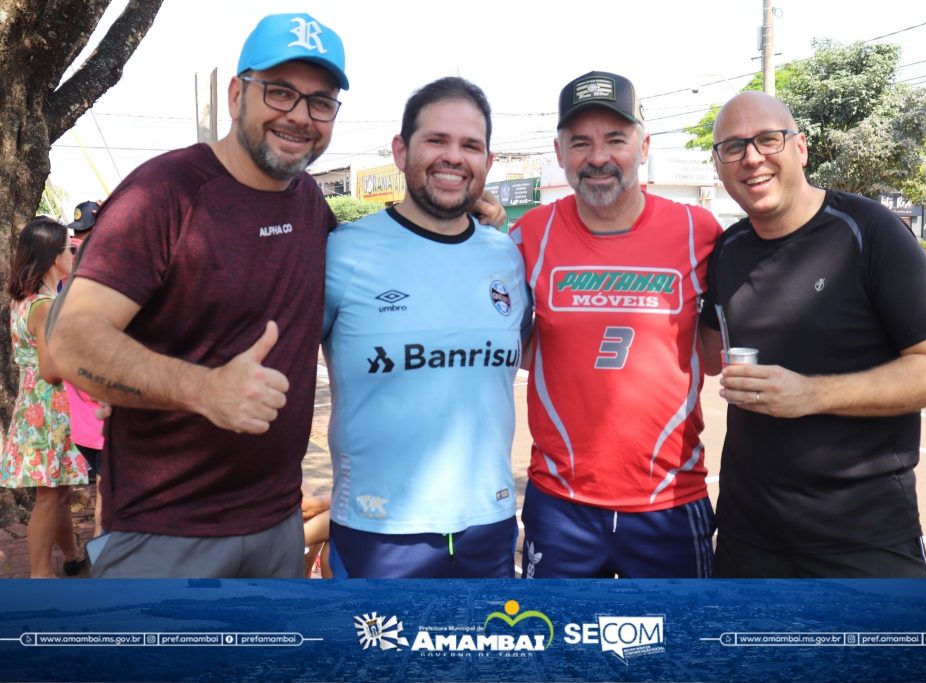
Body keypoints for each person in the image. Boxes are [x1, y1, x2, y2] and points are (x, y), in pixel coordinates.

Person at [47, 13, 349, 578]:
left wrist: (468, 223)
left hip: (277, 525)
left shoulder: (311, 203)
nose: (299, 115)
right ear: (237, 95)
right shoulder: (165, 193)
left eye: (320, 102)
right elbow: (71, 341)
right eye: (279, 92)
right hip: (166, 531)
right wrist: (203, 389)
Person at [699, 91, 926, 578]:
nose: (752, 158)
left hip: (863, 539)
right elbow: (702, 354)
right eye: (733, 147)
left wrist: (810, 393)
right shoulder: (727, 251)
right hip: (748, 540)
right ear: (719, 166)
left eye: (768, 139)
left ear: (800, 148)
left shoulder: (870, 231)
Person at [510, 71, 721, 578]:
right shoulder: (528, 235)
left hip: (669, 500)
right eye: (580, 142)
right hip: (561, 503)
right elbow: (506, 342)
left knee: (678, 634)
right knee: (556, 634)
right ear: (559, 153)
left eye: (616, 139)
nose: (598, 157)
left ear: (643, 147)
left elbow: (716, 355)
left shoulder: (699, 231)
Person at [321, 77, 530, 578]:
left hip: (490, 525)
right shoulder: (343, 251)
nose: (453, 157)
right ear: (401, 150)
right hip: (378, 532)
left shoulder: (506, 255)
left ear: (488, 161)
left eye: (470, 146)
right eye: (437, 140)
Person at [2, 217, 91, 578]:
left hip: (36, 406)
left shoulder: (25, 302)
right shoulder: (46, 306)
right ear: (54, 256)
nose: (74, 254)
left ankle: (71, 557)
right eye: (70, 248)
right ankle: (40, 574)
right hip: (49, 408)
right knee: (49, 497)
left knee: (58, 491)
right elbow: (52, 370)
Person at [65, 200, 106, 536]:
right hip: (100, 422)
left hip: (83, 424)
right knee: (108, 500)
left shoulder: (65, 293)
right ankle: (103, 559)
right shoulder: (96, 297)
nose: (79, 243)